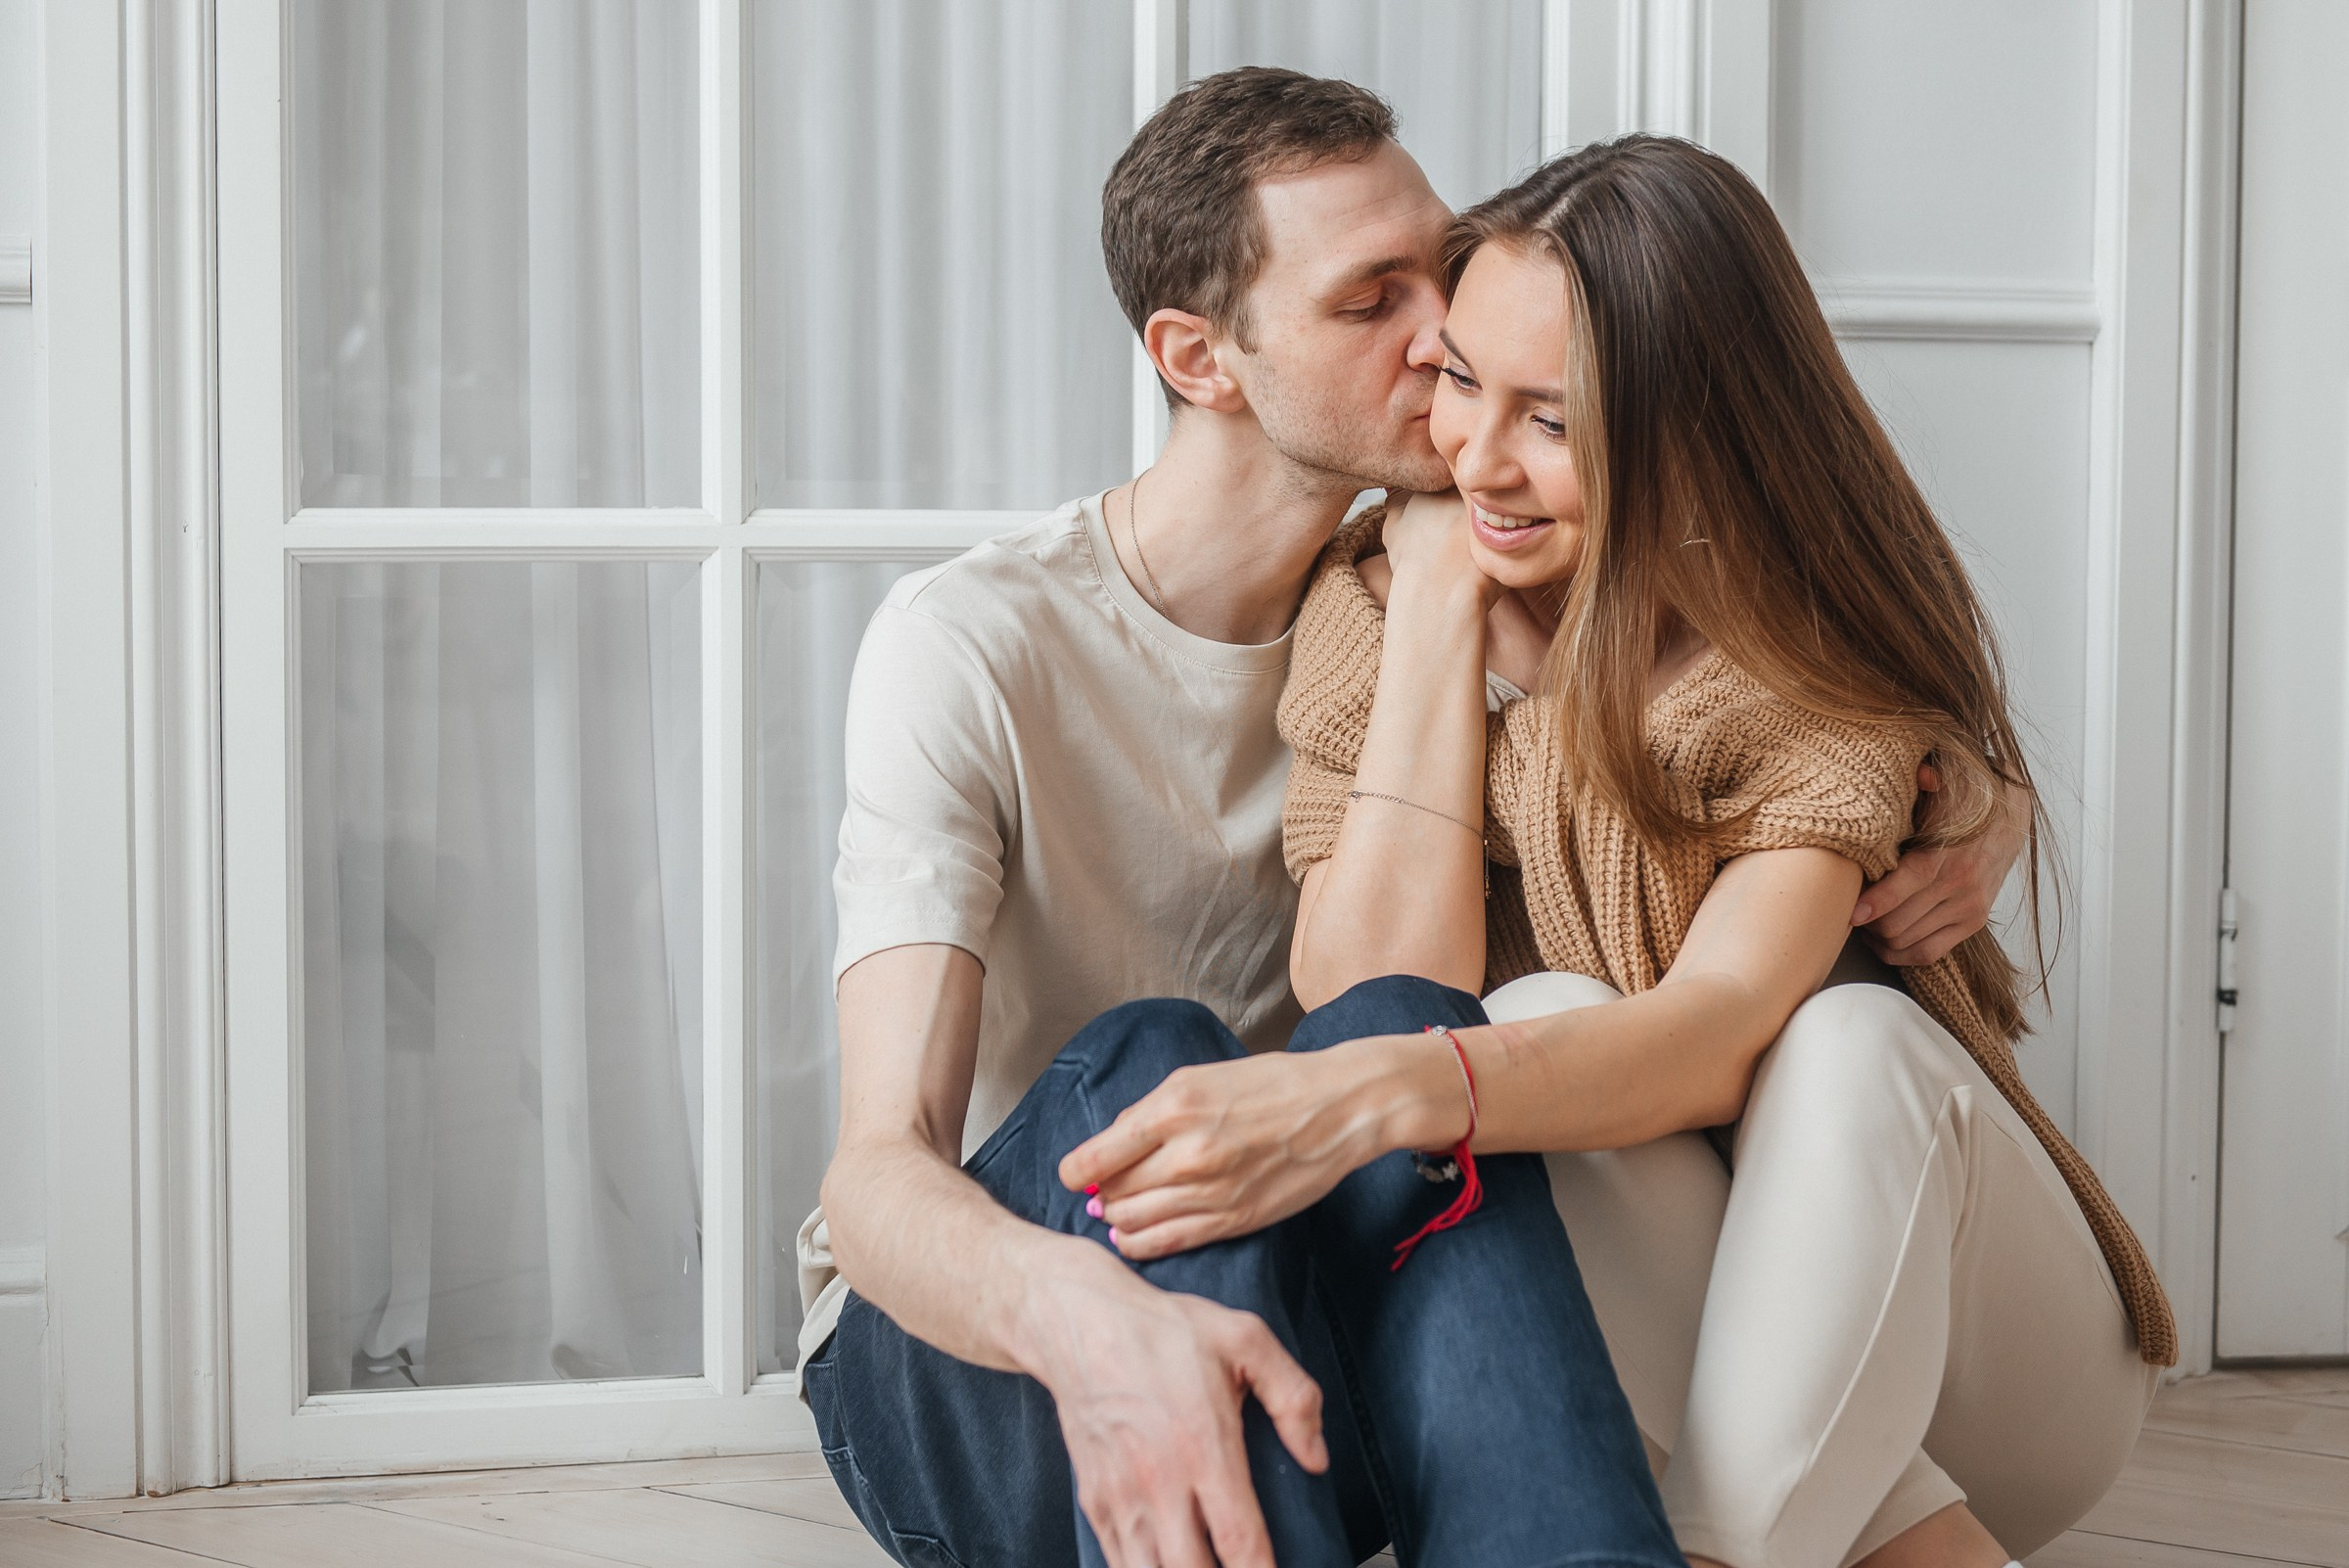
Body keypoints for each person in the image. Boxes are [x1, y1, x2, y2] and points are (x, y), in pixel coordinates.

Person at [803, 70, 2020, 1568]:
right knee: (1159, 1055)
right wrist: (1090, 1320)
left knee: (1445, 1072)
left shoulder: (1467, 587)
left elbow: (1748, 721)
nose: (1444, 333)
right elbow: (875, 1177)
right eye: (1369, 299)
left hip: (1316, 1262)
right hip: (1010, 1329)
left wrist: (1964, 784)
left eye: (1438, 269)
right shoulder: (975, 647)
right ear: (1200, 358)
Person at [1098, 134, 2166, 1568]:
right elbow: (1378, 990)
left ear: (1692, 425)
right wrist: (1433, 614)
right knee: (1533, 1025)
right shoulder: (1373, 602)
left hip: (1986, 1360)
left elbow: (1722, 1023)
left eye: (1552, 419)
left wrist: (1361, 1095)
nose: (1476, 456)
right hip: (1717, 1371)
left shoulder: (1794, 659)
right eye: (1463, 380)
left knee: (1846, 1043)